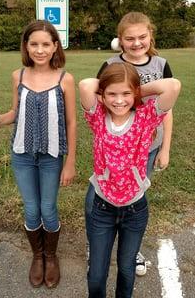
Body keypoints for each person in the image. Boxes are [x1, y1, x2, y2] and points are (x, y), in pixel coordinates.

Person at [0, 20, 76, 289]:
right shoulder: (18, 76)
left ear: (55, 46)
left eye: (46, 44)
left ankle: (51, 255)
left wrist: (69, 162)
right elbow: (15, 113)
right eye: (34, 44)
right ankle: (38, 256)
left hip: (52, 156)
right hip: (22, 153)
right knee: (31, 208)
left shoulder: (64, 78)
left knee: (48, 207)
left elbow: (71, 123)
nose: (40, 49)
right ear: (26, 46)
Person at [79, 62, 181, 298]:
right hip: (102, 209)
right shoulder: (97, 117)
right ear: (102, 96)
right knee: (96, 274)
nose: (119, 100)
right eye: (111, 94)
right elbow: (85, 85)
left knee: (126, 269)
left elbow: (173, 86)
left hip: (135, 210)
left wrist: (136, 90)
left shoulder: (146, 118)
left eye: (125, 94)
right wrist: (114, 86)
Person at [89, 11, 173, 276]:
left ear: (150, 35)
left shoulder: (160, 64)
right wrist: (126, 89)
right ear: (120, 41)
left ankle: (132, 249)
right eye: (130, 39)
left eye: (142, 37)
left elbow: (168, 108)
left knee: (135, 196)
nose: (137, 43)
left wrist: (165, 147)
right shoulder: (110, 63)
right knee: (96, 195)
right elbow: (94, 91)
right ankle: (97, 248)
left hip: (146, 146)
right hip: (113, 146)